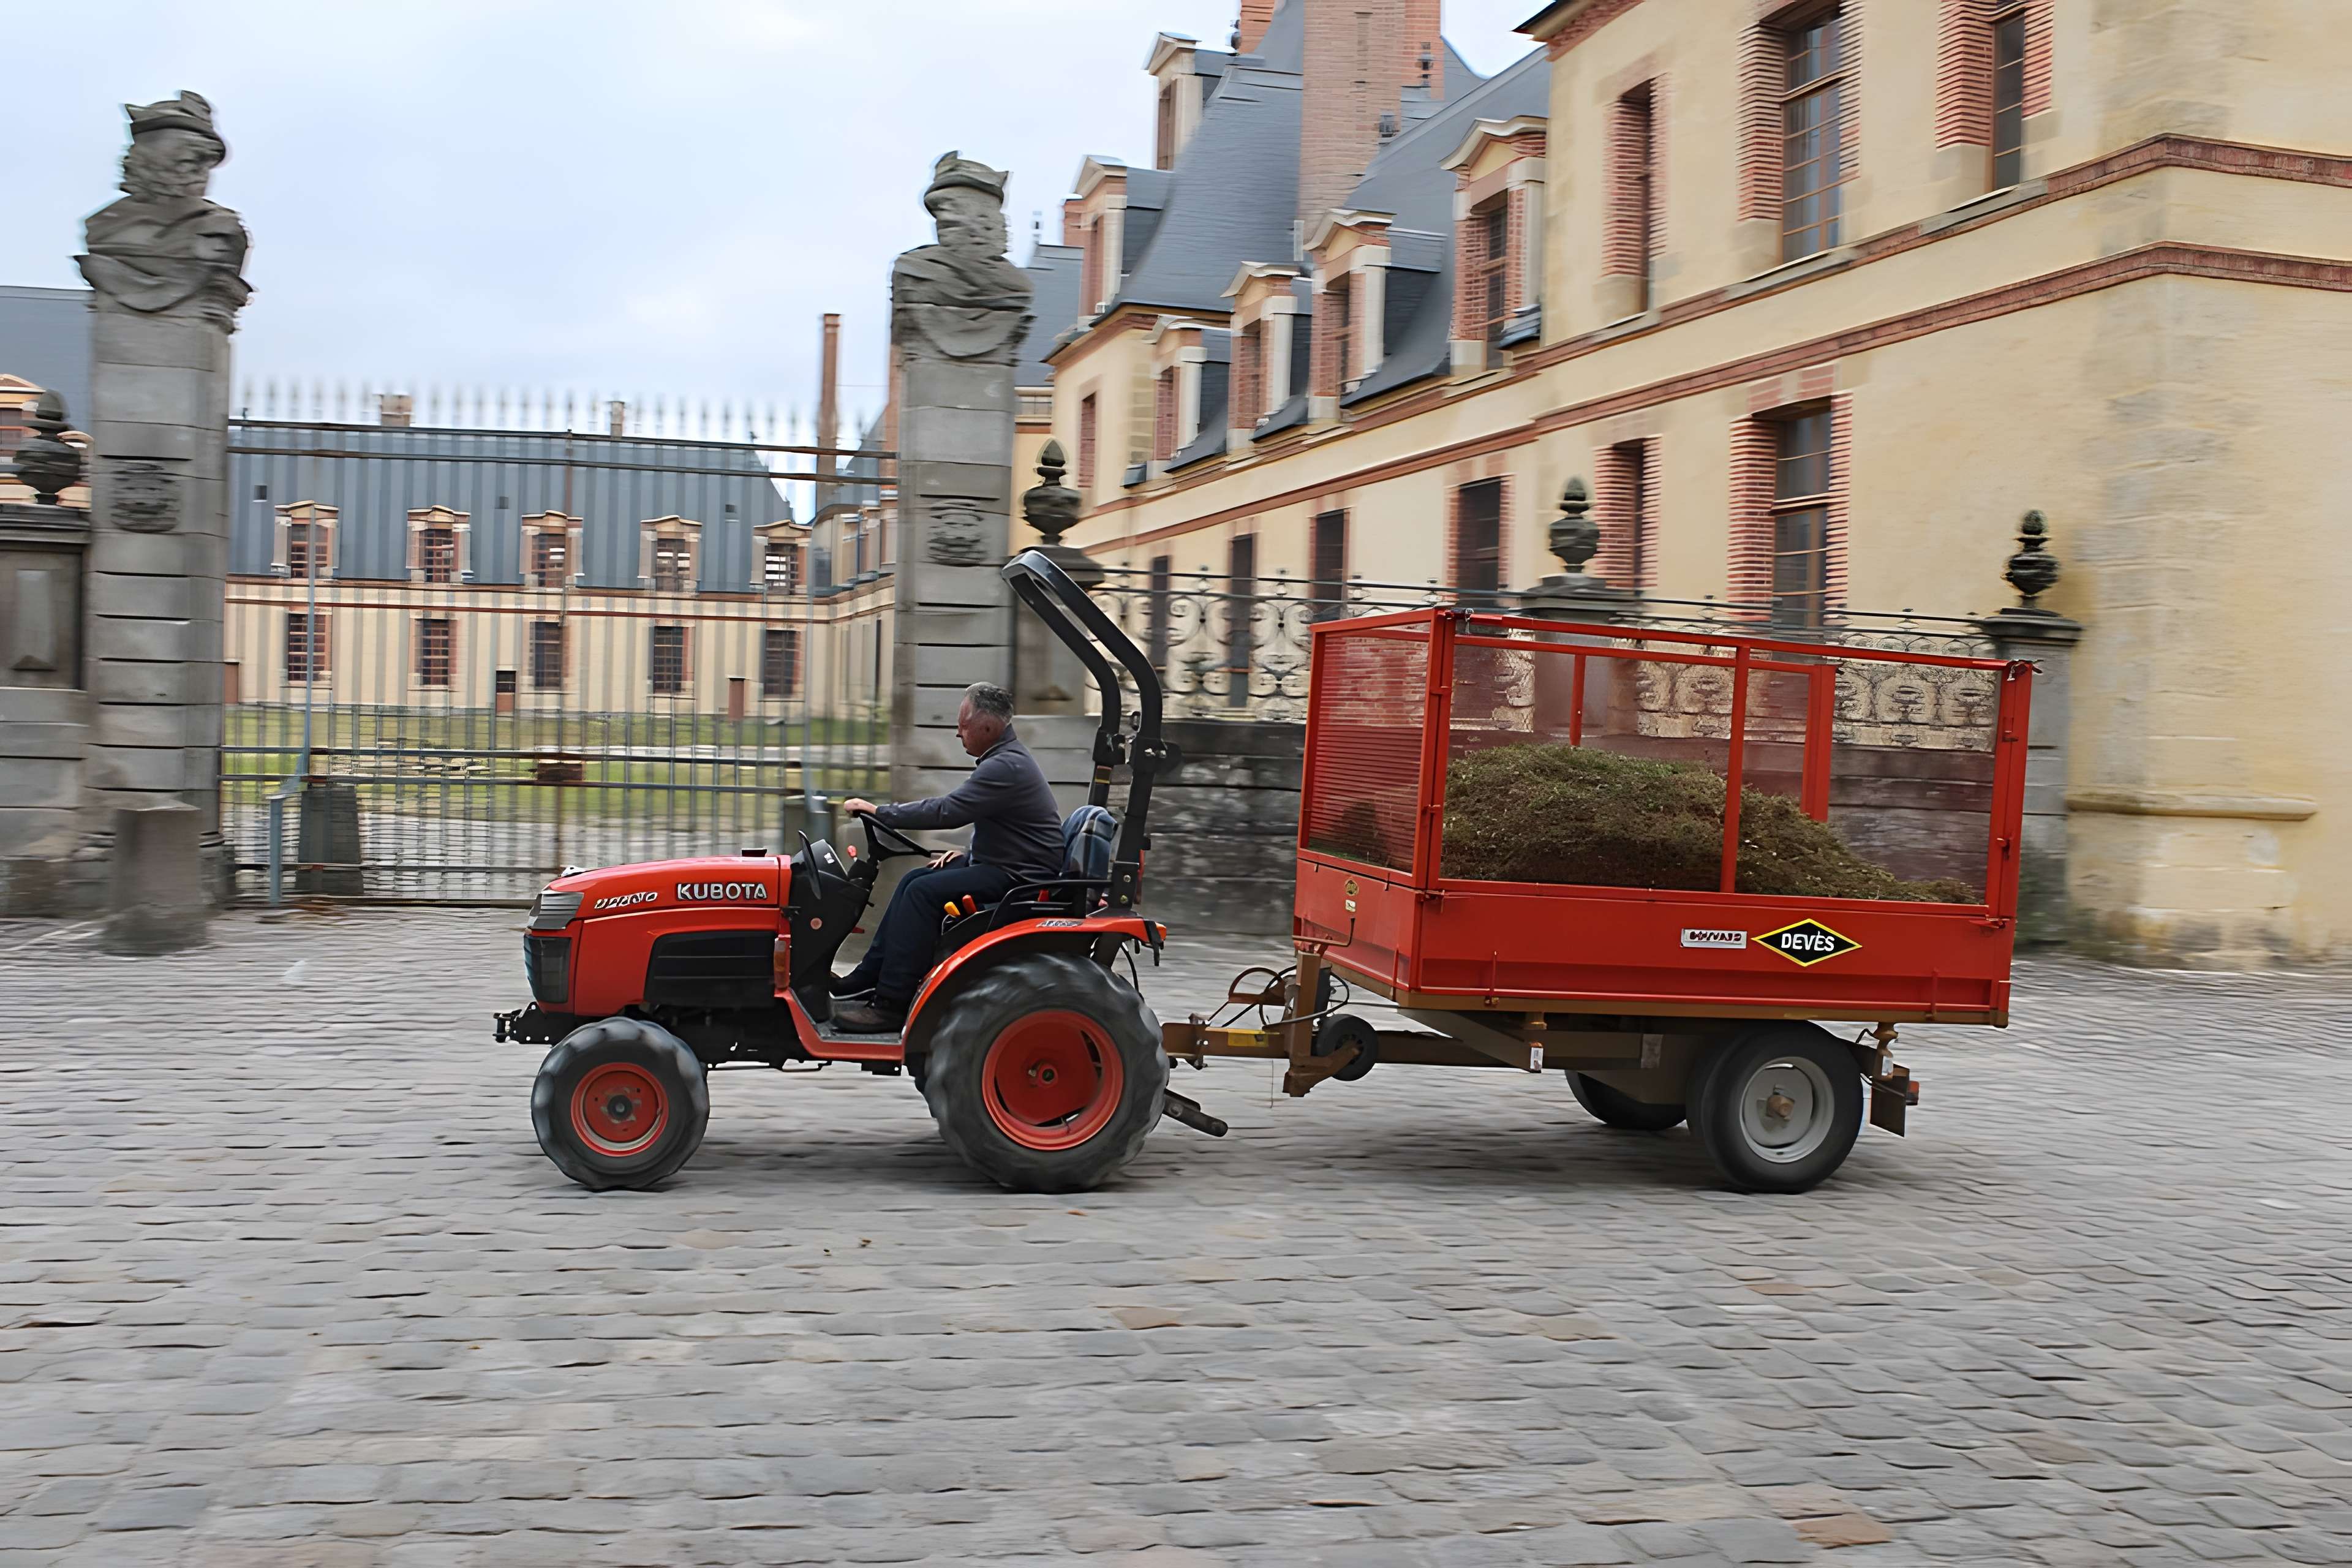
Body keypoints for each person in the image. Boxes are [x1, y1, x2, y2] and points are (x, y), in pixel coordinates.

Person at [830, 682, 1064, 1033]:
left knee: (922, 895)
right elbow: (1010, 828)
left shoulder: (1005, 767)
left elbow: (948, 811)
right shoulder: (1005, 760)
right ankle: (867, 979)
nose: (958, 733)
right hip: (1008, 865)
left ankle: (892, 1005)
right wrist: (969, 854)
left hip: (1020, 879)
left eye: (964, 725)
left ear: (987, 728)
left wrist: (880, 812)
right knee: (913, 880)